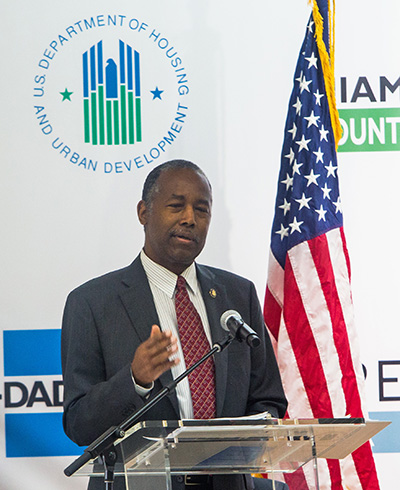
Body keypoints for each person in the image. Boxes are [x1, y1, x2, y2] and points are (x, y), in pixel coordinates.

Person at [62, 159, 288, 490]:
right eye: (176, 206)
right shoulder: (93, 303)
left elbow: (269, 401)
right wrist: (135, 380)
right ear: (143, 212)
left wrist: (244, 440)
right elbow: (79, 423)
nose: (190, 219)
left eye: (202, 210)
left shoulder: (238, 295)